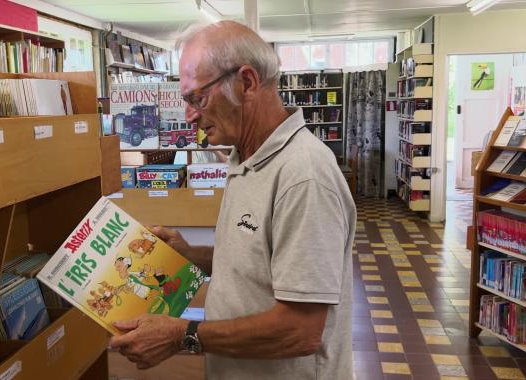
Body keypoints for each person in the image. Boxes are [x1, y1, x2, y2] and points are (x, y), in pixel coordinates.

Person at [109, 20, 356, 380]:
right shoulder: (246, 158)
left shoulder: (304, 176)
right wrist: (192, 255)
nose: (190, 114)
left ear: (246, 83)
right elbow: (261, 265)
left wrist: (184, 336)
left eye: (197, 97)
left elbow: (300, 330)